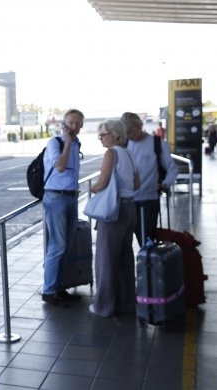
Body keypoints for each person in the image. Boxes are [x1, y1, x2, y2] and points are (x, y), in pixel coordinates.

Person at [89, 120, 139, 317]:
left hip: (114, 211)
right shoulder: (129, 153)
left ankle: (103, 306)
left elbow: (102, 183)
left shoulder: (111, 153)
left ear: (116, 136)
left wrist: (92, 188)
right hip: (130, 208)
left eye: (103, 134)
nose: (100, 138)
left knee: (106, 260)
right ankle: (126, 303)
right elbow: (137, 183)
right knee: (125, 259)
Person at [42, 109, 85, 305]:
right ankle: (49, 290)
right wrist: (67, 142)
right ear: (64, 123)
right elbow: (59, 166)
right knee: (57, 246)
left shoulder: (76, 144)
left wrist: (71, 143)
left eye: (77, 123)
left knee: (67, 246)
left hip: (71, 197)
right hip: (55, 198)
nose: (74, 126)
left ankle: (60, 287)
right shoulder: (55, 143)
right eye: (71, 122)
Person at [122, 112, 178, 246]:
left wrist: (165, 184)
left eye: (129, 132)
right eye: (125, 133)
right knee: (124, 243)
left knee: (146, 239)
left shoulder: (157, 144)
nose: (128, 136)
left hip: (149, 200)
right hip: (127, 201)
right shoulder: (124, 145)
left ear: (139, 126)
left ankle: (148, 264)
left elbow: (172, 169)